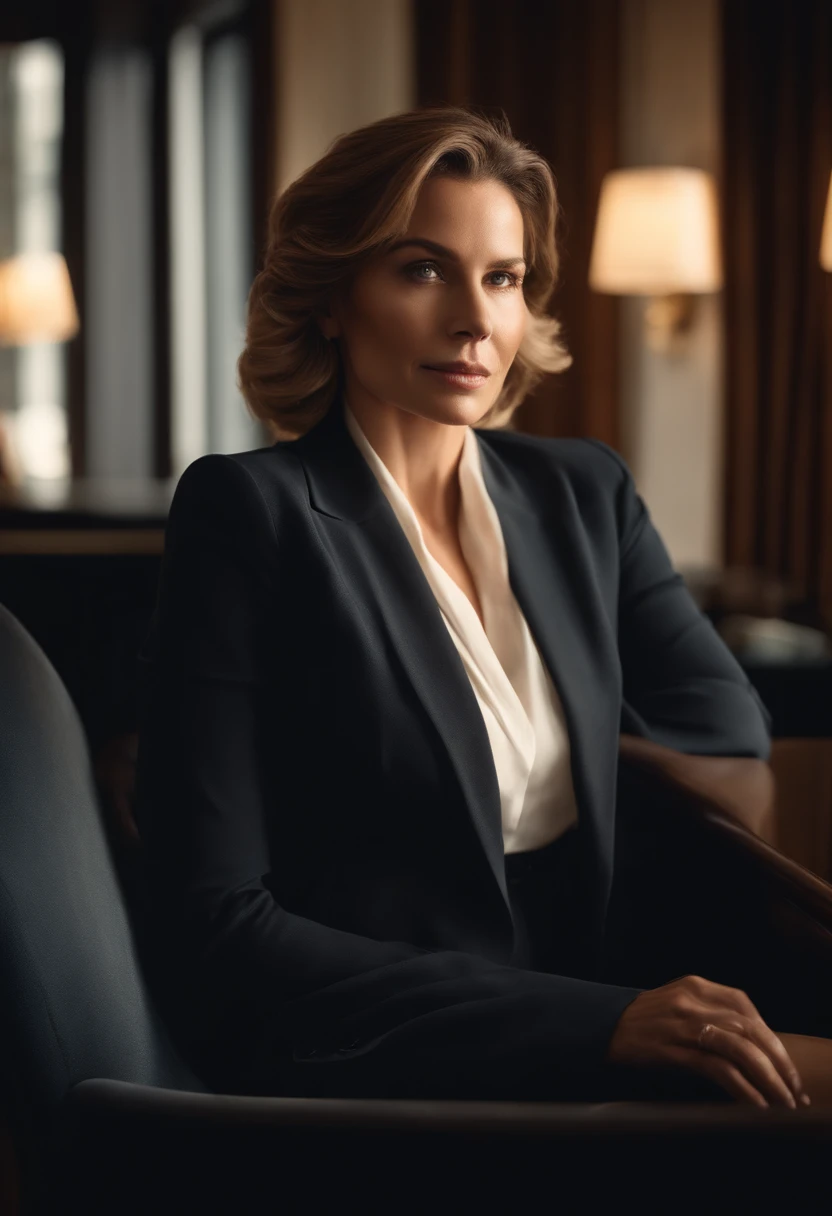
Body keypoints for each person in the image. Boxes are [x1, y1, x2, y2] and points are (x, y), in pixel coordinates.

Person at [134, 104, 826, 1110]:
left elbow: (728, 736)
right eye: (421, 269)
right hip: (379, 1046)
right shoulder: (251, 514)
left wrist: (573, 745)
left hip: (605, 991)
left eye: (500, 278)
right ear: (332, 298)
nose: (474, 317)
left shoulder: (581, 493)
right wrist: (602, 1022)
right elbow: (219, 920)